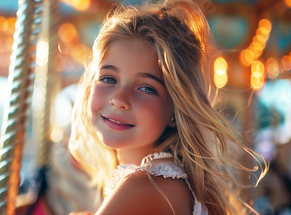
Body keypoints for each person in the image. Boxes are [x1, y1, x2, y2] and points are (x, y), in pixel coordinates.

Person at [68, 0, 268, 214]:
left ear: (176, 108)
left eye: (147, 89)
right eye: (108, 79)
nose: (118, 99)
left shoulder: (144, 187)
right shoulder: (166, 184)